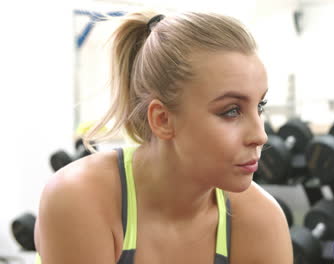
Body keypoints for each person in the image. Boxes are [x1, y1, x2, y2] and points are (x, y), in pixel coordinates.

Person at [34, 9, 293, 264]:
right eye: (231, 111)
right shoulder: (79, 200)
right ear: (163, 119)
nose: (260, 135)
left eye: (260, 106)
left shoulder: (260, 221)